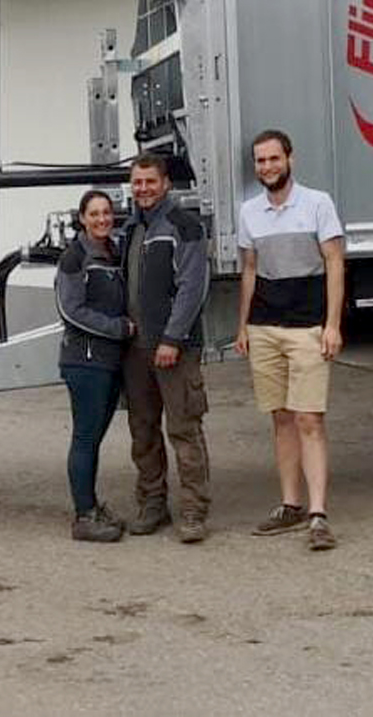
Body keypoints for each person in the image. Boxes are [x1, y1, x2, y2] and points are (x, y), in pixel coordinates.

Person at [234, 129, 345, 552]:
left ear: (290, 159)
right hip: (265, 327)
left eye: (273, 159)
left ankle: (319, 514)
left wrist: (332, 324)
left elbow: (335, 262)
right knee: (280, 417)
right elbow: (249, 269)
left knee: (309, 419)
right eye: (260, 161)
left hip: (307, 328)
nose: (267, 167)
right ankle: (290, 504)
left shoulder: (317, 204)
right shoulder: (250, 212)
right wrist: (243, 326)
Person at [119, 154, 213, 543]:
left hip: (174, 349)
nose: (143, 189)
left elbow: (192, 288)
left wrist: (172, 339)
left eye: (150, 182)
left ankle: (193, 510)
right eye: (137, 182)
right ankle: (153, 503)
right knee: (142, 431)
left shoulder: (184, 226)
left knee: (184, 429)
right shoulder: (131, 228)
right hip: (135, 350)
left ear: (166, 184)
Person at [54, 189, 134, 542]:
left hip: (108, 361)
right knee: (85, 437)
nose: (102, 219)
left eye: (106, 213)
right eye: (94, 214)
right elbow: (72, 310)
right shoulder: (74, 259)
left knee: (94, 437)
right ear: (82, 218)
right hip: (85, 362)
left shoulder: (111, 251)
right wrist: (118, 328)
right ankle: (84, 516)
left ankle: (91, 504)